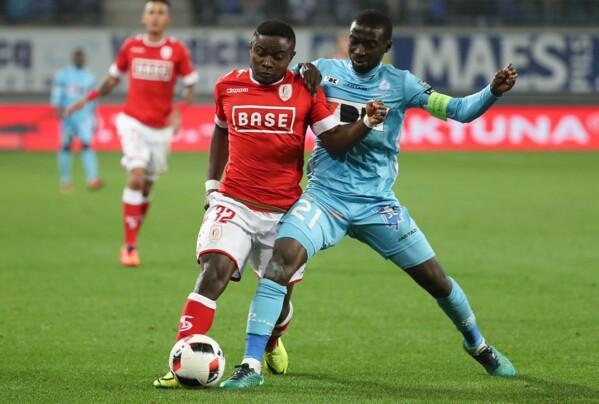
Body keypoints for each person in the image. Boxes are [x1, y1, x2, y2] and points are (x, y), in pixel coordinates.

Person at [221, 9, 519, 389]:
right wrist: (303, 71)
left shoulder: (402, 84)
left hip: (377, 203)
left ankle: (478, 345)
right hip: (324, 197)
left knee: (436, 281)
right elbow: (278, 79)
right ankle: (250, 364)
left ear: (387, 46)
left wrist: (492, 91)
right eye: (355, 41)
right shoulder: (324, 71)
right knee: (281, 262)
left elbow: (459, 111)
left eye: (369, 44)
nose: (359, 50)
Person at [153, 19, 388, 388]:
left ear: (291, 57)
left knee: (278, 299)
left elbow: (335, 142)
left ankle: (273, 339)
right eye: (260, 52)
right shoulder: (227, 85)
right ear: (250, 48)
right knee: (212, 274)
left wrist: (366, 122)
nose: (267, 61)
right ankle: (181, 360)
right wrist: (212, 187)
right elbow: (220, 131)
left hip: (284, 212)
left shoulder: (306, 89)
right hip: (234, 201)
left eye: (277, 56)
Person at [65, 0, 198, 267]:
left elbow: (190, 85)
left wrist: (179, 110)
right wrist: (86, 99)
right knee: (136, 177)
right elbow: (113, 79)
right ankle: (129, 246)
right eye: (151, 12)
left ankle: (132, 236)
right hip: (132, 122)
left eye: (161, 13)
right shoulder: (131, 46)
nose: (155, 17)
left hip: (160, 130)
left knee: (147, 186)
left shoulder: (177, 50)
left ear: (168, 20)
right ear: (143, 18)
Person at [51, 48, 103, 193]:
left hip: (84, 117)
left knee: (87, 145)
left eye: (82, 57)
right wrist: (58, 113)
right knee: (66, 146)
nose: (80, 59)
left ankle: (92, 179)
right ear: (73, 59)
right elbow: (56, 96)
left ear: (84, 59)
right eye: (77, 57)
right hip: (68, 116)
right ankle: (65, 181)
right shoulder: (63, 76)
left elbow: (93, 99)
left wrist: (95, 117)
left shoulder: (90, 77)